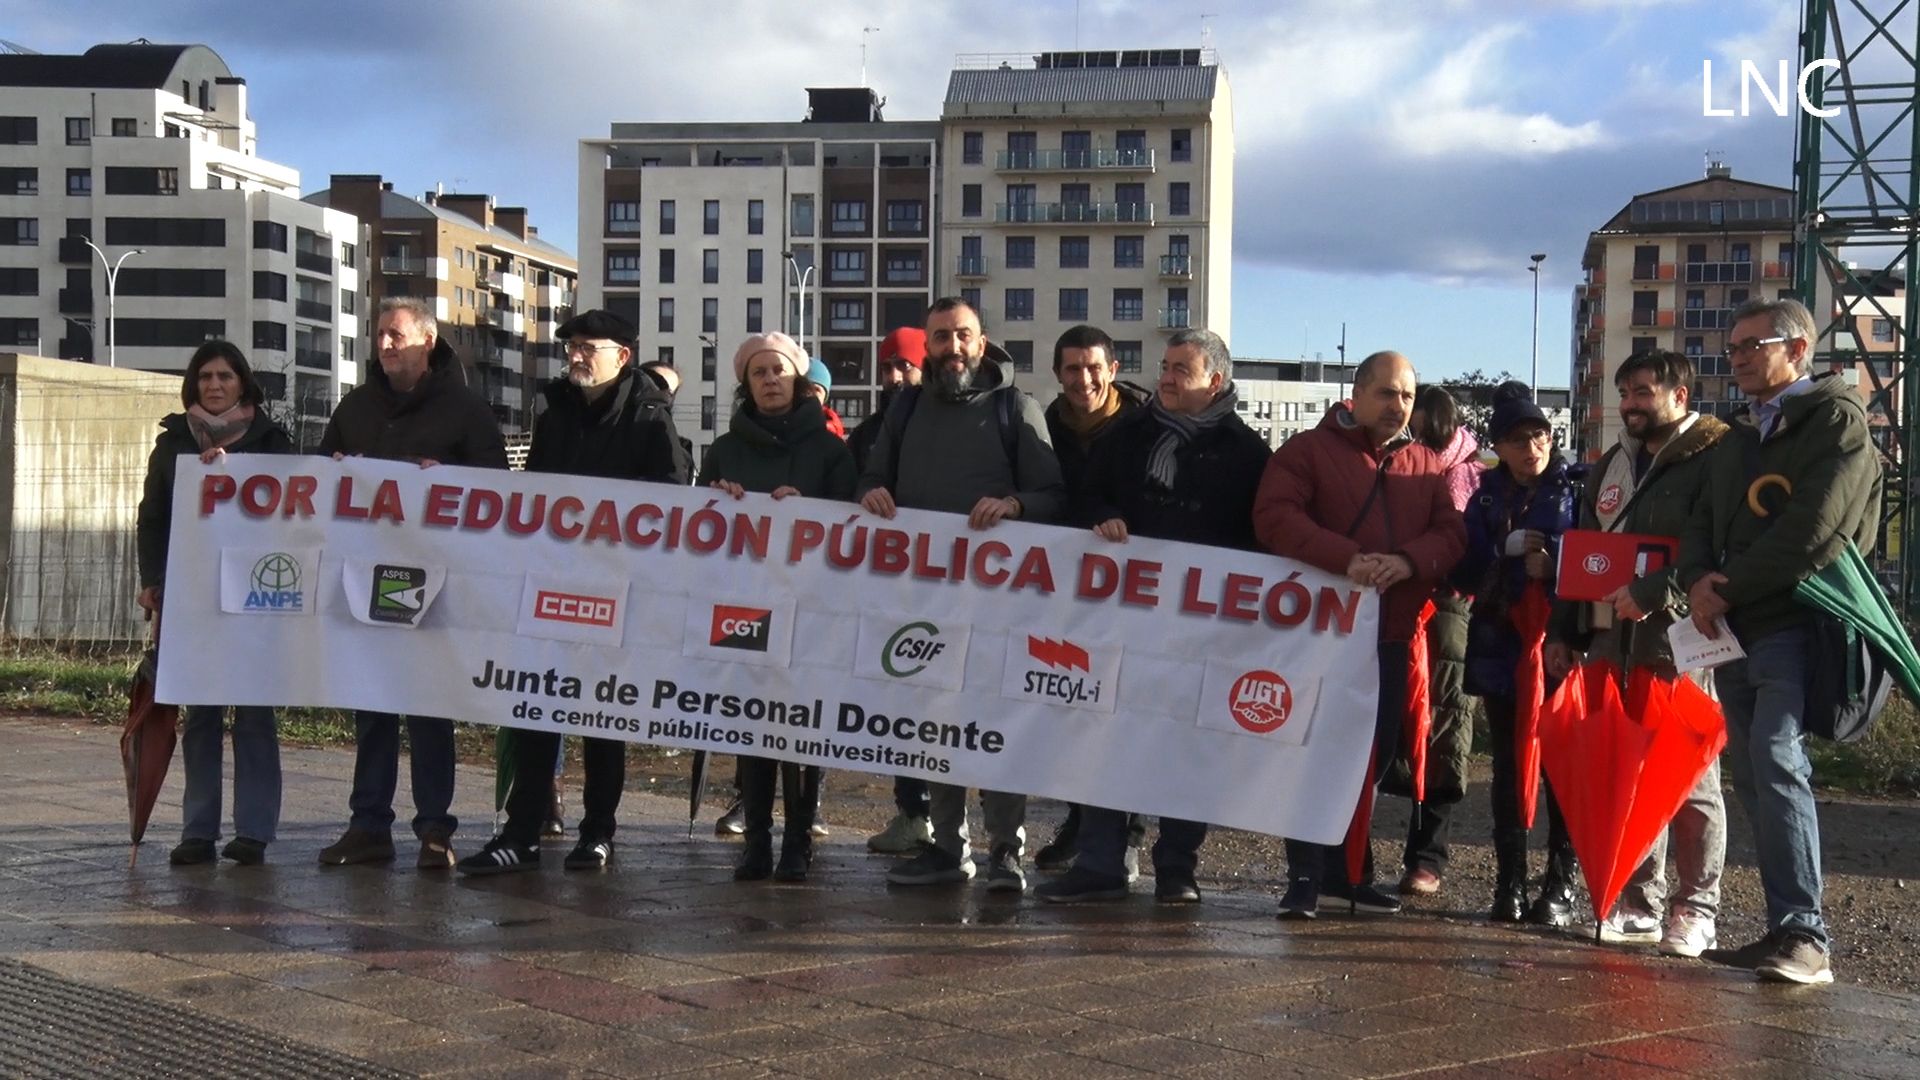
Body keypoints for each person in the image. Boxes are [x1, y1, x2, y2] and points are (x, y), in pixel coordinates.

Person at [1677, 297, 1880, 986]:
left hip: (1794, 619)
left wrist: (1724, 587)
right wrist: (1700, 581)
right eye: (1730, 346)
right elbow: (1699, 517)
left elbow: (1816, 530)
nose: (1735, 357)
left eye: (1750, 345)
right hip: (1729, 627)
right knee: (1755, 776)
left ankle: (1805, 936)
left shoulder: (1835, 420)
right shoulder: (1736, 436)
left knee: (1775, 755)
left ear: (1797, 349)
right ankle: (1782, 931)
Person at [1035, 329, 1270, 905]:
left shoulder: (1249, 453)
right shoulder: (1128, 436)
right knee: (1103, 734)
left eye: (1178, 370)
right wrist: (1105, 515)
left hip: (1201, 630)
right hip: (1121, 620)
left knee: (1188, 747)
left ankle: (1177, 866)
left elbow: (1262, 537)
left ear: (1214, 381)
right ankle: (1100, 861)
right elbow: (1084, 497)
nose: (1163, 378)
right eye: (1163, 367)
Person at [457, 309, 690, 876]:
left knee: (603, 715)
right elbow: (537, 490)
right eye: (572, 348)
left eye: (589, 347)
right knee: (538, 703)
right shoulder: (556, 407)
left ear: (622, 356)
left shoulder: (649, 416)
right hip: (554, 583)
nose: (576, 357)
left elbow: (671, 498)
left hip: (617, 589)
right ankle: (522, 832)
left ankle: (598, 832)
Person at [856, 297, 1066, 891]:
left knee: (993, 726)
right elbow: (871, 475)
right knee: (934, 725)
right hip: (922, 601)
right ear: (928, 346)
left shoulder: (1014, 408)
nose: (953, 347)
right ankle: (948, 847)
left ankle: (1006, 849)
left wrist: (1016, 505)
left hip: (999, 605)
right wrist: (870, 491)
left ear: (983, 340)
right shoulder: (904, 409)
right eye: (941, 337)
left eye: (963, 335)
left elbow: (1053, 493)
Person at [1253, 351, 1466, 919]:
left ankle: (1348, 874)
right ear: (1357, 393)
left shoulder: (1425, 464)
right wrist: (1347, 559)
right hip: (1317, 635)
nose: (1398, 406)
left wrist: (1406, 561)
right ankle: (1304, 876)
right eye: (1387, 393)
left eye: (1407, 397)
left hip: (1388, 637)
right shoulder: (1308, 451)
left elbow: (1451, 535)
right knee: (1310, 753)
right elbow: (1274, 516)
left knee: (1369, 759)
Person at [1547, 350, 1729, 957]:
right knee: (1628, 772)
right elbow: (1586, 554)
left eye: (1643, 391)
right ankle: (1640, 902)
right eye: (1625, 391)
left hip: (1682, 642)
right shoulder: (1612, 462)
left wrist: (1656, 592)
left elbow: (1716, 549)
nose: (1630, 403)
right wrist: (1565, 633)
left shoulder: (1715, 456)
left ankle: (1695, 909)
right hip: (1612, 641)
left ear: (1680, 395)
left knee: (1691, 776)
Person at [317, 297, 508, 870]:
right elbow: (323, 477)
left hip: (436, 581)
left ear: (427, 341)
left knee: (428, 705)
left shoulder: (466, 411)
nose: (384, 344)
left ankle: (434, 830)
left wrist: (451, 484)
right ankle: (368, 824)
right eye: (379, 335)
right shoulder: (355, 407)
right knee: (371, 701)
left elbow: (496, 491)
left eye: (396, 335)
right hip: (364, 578)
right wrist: (338, 468)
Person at [700, 331, 857, 882]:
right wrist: (717, 495)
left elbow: (851, 523)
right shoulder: (724, 448)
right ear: (747, 384)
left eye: (779, 371)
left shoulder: (831, 450)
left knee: (801, 727)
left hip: (812, 604)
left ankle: (798, 840)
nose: (770, 380)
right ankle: (757, 842)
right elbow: (699, 522)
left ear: (798, 379)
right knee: (751, 726)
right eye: (759, 372)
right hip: (746, 605)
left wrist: (813, 510)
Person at [136, 341, 294, 867]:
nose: (215, 384)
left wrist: (234, 475)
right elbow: (153, 517)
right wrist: (152, 579)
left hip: (256, 598)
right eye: (205, 376)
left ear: (243, 383)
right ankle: (197, 831)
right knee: (201, 715)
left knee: (254, 713)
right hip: (191, 596)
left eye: (225, 375)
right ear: (193, 384)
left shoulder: (273, 442)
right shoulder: (173, 443)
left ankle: (254, 831)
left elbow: (295, 513)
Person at [1452, 383, 1579, 926]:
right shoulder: (1483, 498)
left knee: (1562, 767)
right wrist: (1498, 555)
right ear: (1498, 446)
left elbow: (1603, 560)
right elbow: (1459, 571)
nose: (1533, 447)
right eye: (1518, 439)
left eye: (1540, 435)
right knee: (1508, 763)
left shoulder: (1578, 489)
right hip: (1500, 644)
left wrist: (1556, 566)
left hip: (1559, 644)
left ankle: (1561, 886)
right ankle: (1510, 886)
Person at [1032, 324, 1152, 876]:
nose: (1084, 379)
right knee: (1070, 708)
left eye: (1094, 367)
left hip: (1131, 593)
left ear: (1114, 370)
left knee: (1124, 713)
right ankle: (1081, 822)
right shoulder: (1041, 427)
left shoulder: (1145, 427)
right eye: (1073, 369)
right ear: (1058, 374)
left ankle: (1127, 832)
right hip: (1061, 590)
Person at [1387, 386, 1481, 898]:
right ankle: (1355, 849)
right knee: (1389, 721)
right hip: (1400, 597)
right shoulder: (1397, 464)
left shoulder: (1470, 471)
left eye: (1422, 427)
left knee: (1447, 723)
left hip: (1449, 608)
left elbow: (1472, 543)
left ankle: (1427, 856)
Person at [854, 326, 936, 857]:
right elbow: (850, 488)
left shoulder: (950, 426)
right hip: (891, 592)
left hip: (951, 588)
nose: (894, 377)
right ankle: (913, 812)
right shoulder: (868, 432)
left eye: (904, 366)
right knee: (903, 705)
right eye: (887, 368)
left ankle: (972, 831)